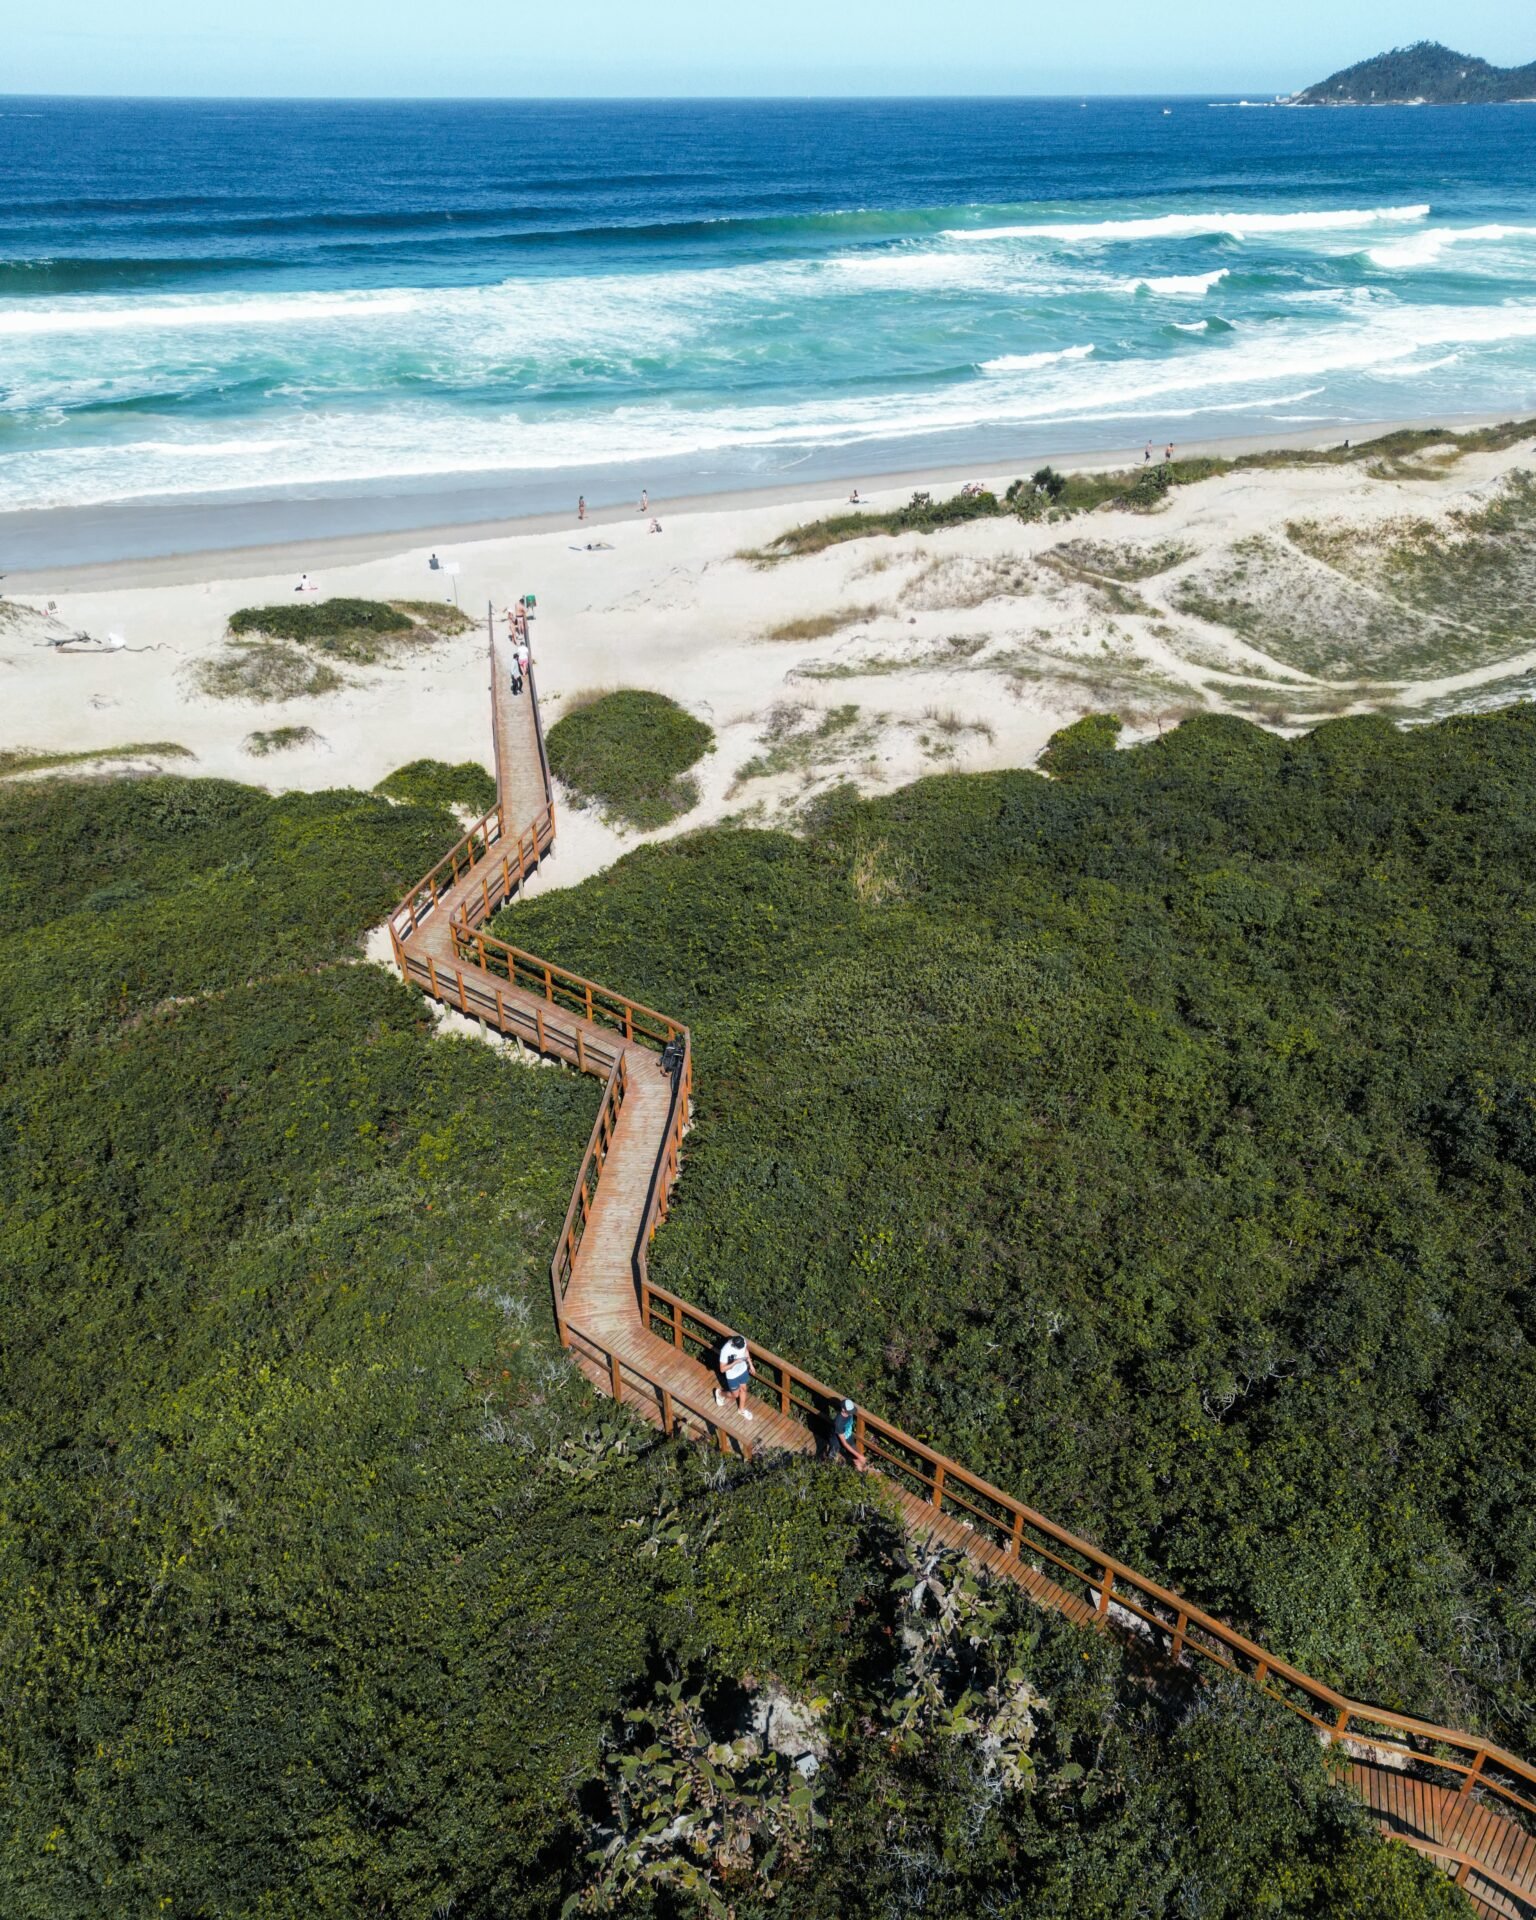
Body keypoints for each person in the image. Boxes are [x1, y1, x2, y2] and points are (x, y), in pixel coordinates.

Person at [714, 1334, 755, 1420]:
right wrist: (735, 1362)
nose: (741, 1348)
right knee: (735, 1395)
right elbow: (722, 1369)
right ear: (733, 1345)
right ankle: (720, 1393)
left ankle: (741, 1409)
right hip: (732, 1375)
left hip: (743, 1370)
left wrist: (751, 1365)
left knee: (744, 1389)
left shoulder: (742, 1340)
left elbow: (746, 1351)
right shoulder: (725, 1350)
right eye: (739, 1348)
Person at [829, 1397, 867, 1471]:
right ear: (843, 1409)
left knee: (857, 1457)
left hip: (848, 1437)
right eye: (849, 1411)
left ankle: (858, 1473)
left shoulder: (849, 1413)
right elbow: (844, 1444)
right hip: (836, 1442)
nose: (851, 1413)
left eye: (851, 1411)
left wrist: (859, 1457)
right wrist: (859, 1456)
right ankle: (828, 1468)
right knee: (831, 1457)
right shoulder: (839, 1423)